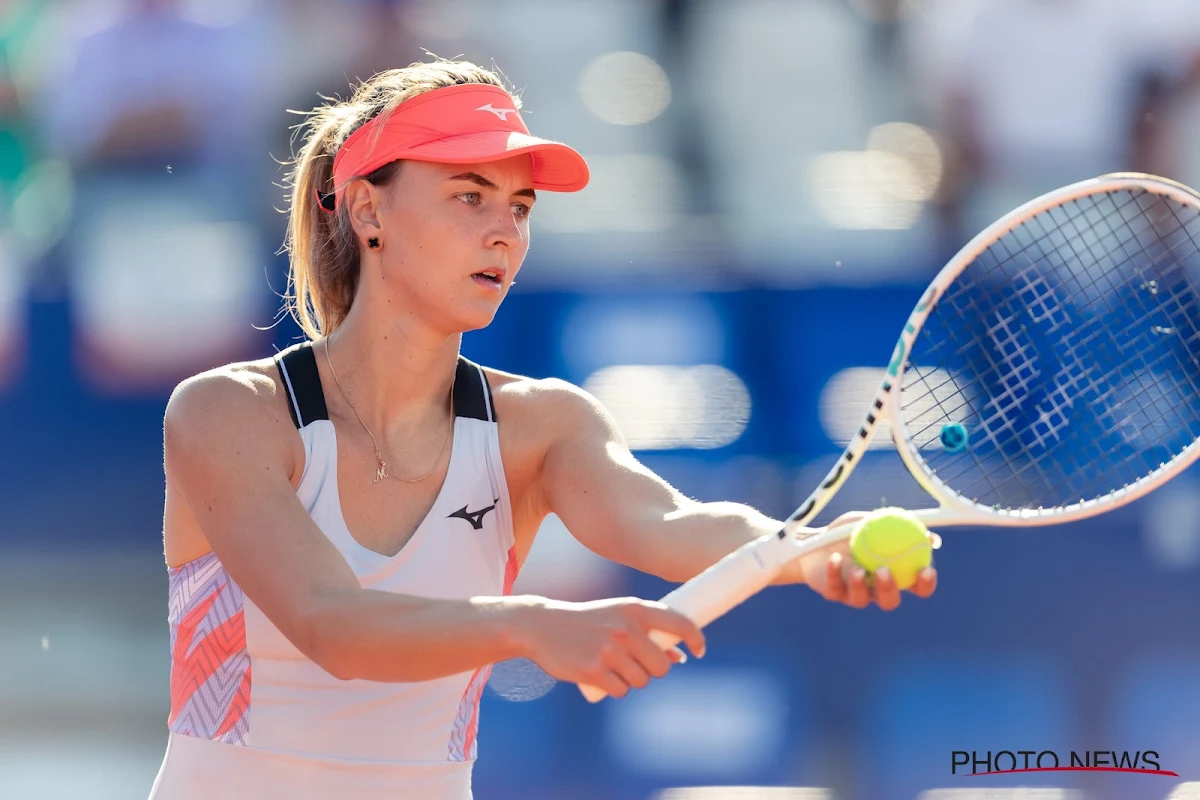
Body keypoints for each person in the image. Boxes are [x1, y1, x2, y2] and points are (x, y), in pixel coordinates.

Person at [149, 58, 937, 799]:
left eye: (519, 207)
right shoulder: (227, 412)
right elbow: (331, 625)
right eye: (470, 195)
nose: (506, 232)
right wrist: (530, 625)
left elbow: (672, 522)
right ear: (367, 209)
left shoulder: (544, 425)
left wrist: (809, 550)